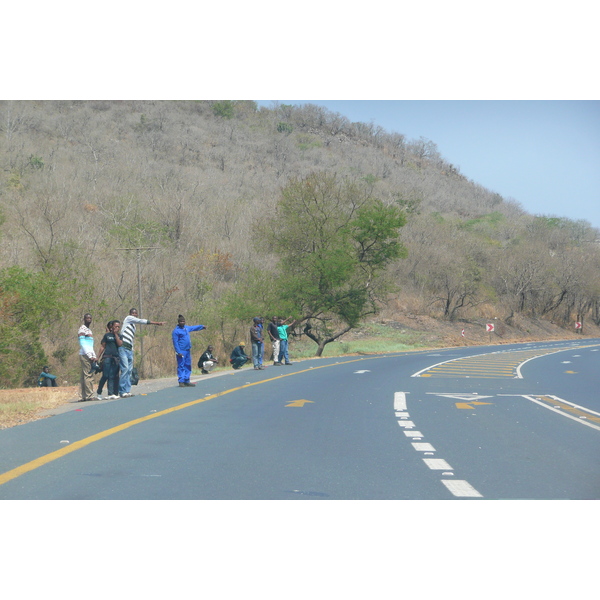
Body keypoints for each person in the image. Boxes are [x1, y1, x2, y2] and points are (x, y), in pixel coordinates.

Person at [119, 308, 165, 398]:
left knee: (129, 371)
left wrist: (132, 349)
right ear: (130, 314)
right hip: (123, 348)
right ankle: (122, 391)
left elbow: (131, 338)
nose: (134, 314)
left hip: (129, 349)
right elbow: (142, 321)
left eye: (136, 313)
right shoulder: (128, 319)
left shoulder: (133, 326)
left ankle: (127, 390)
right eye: (133, 313)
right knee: (124, 369)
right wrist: (156, 323)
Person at [172, 314, 205, 387]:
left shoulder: (186, 328)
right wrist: (178, 352)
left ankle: (187, 380)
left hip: (187, 350)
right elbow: (175, 342)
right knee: (181, 365)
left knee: (188, 365)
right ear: (178, 322)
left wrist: (201, 327)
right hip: (181, 351)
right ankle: (181, 381)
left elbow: (193, 328)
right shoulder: (176, 331)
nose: (182, 322)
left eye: (183, 321)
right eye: (181, 321)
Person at [96, 320, 122, 399]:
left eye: (118, 327)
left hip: (115, 358)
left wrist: (116, 334)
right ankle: (99, 392)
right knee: (105, 375)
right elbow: (103, 346)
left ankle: (111, 393)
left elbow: (120, 344)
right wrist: (98, 357)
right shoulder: (107, 336)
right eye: (115, 326)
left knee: (112, 375)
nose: (116, 328)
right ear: (112, 326)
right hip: (107, 357)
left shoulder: (119, 336)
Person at [78, 313, 99, 401]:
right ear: (84, 319)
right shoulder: (82, 329)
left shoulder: (89, 330)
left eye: (90, 318)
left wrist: (94, 355)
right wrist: (90, 355)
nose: (89, 320)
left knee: (84, 376)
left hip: (90, 354)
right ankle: (89, 395)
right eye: (87, 318)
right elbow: (83, 344)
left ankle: (83, 396)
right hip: (85, 355)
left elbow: (90, 345)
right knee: (88, 375)